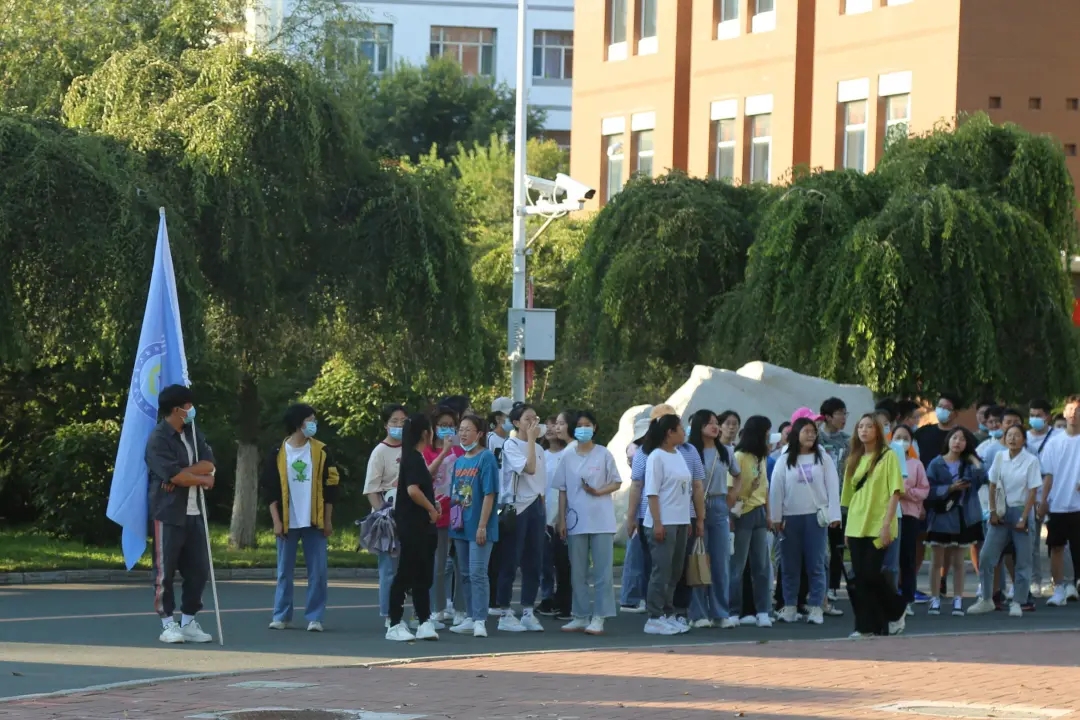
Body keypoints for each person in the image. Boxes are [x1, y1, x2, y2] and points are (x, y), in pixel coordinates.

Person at [147, 384, 216, 644]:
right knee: (165, 572)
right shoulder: (158, 438)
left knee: (198, 569)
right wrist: (199, 478)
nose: (192, 410)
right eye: (188, 406)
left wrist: (184, 475)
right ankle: (167, 624)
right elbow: (173, 475)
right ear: (177, 409)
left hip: (195, 511)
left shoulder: (192, 432)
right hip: (168, 513)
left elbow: (209, 463)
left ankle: (188, 622)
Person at [264, 403, 340, 633]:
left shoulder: (322, 451)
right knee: (284, 571)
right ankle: (281, 615)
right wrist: (276, 521)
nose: (314, 424)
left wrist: (327, 519)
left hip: (314, 520)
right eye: (310, 420)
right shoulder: (278, 452)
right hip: (288, 521)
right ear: (298, 423)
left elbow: (331, 487)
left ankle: (315, 617)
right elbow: (270, 489)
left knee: (318, 571)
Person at [554, 410, 621, 635]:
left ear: (594, 427)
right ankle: (580, 615)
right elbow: (562, 489)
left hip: (601, 519)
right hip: (576, 520)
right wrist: (561, 519)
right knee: (578, 572)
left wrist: (598, 491)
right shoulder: (568, 456)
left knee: (603, 572)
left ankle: (600, 616)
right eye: (579, 425)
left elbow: (616, 482)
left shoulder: (604, 453)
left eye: (588, 425)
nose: (584, 429)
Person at [769, 417, 841, 625]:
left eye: (813, 431)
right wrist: (776, 517)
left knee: (816, 563)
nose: (810, 435)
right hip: (790, 518)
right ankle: (790, 606)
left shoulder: (823, 458)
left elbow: (832, 486)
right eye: (806, 431)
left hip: (815, 518)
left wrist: (834, 515)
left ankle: (816, 606)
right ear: (796, 434)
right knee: (789, 564)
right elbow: (776, 489)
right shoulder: (784, 459)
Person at [841, 413, 907, 638]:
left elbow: (895, 492)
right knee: (860, 578)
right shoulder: (854, 458)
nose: (864, 430)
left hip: (879, 523)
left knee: (871, 574)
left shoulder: (888, 456)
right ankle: (866, 626)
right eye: (861, 426)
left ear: (878, 431)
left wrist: (887, 524)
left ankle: (896, 608)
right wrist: (847, 529)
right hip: (856, 523)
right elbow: (848, 498)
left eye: (869, 426)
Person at [968, 424, 1039, 617]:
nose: (1012, 439)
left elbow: (1032, 492)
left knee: (1023, 560)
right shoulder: (1000, 457)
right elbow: (992, 485)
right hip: (1000, 511)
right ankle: (986, 599)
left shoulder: (1031, 460)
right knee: (986, 557)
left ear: (1024, 440)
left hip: (1021, 510)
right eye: (1009, 435)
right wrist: (992, 512)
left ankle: (1018, 601)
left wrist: (1024, 518)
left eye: (1017, 435)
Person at [386, 414, 441, 642]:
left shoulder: (415, 458)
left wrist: (432, 504)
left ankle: (424, 620)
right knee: (406, 573)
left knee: (422, 575)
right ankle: (394, 623)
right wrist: (431, 508)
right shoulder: (413, 459)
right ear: (425, 433)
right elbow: (413, 490)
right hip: (413, 527)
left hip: (422, 528)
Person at [495, 403, 547, 632]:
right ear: (516, 423)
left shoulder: (540, 449)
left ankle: (528, 610)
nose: (533, 423)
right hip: (517, 507)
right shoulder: (511, 445)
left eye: (535, 418)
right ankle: (505, 612)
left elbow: (541, 480)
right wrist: (532, 440)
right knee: (510, 560)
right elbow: (530, 468)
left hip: (536, 505)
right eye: (528, 419)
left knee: (534, 561)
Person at [924, 427, 987, 617]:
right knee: (937, 560)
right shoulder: (936, 463)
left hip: (963, 515)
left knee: (959, 562)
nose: (957, 442)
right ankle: (935, 598)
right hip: (942, 515)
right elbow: (929, 489)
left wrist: (975, 460)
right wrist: (950, 488)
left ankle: (958, 598)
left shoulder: (968, 464)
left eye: (962, 439)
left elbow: (983, 478)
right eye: (954, 438)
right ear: (948, 440)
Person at [448, 413, 501, 638]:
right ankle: (470, 616)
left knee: (478, 573)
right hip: (460, 525)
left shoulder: (486, 458)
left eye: (468, 430)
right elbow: (455, 494)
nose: (463, 434)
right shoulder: (459, 461)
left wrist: (482, 525)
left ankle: (480, 619)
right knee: (465, 574)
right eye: (460, 429)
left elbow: (489, 494)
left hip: (479, 526)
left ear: (479, 434)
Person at [641, 413, 694, 635]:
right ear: (669, 432)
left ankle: (668, 613)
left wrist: (687, 520)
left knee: (675, 571)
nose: (684, 432)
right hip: (663, 521)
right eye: (680, 428)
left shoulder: (678, 454)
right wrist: (658, 523)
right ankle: (654, 617)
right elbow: (652, 492)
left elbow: (685, 489)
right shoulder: (656, 457)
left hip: (680, 521)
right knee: (661, 571)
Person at [688, 409, 741, 629]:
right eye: (709, 423)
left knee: (721, 561)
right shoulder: (690, 451)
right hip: (695, 505)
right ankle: (698, 613)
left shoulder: (725, 451)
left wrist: (732, 496)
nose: (715, 426)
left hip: (719, 505)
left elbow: (738, 475)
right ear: (699, 427)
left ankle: (720, 612)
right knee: (698, 558)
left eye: (715, 423)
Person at [728, 415, 774, 628]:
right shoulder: (738, 457)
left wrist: (769, 514)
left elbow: (765, 488)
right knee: (737, 565)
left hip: (759, 513)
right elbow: (732, 488)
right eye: (766, 432)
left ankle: (763, 610)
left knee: (762, 565)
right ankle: (733, 610)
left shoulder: (761, 458)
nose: (769, 437)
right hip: (742, 513)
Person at [364, 404, 407, 628]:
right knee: (389, 569)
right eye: (394, 421)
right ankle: (389, 616)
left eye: (403, 421)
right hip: (387, 520)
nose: (399, 425)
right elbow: (371, 489)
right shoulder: (379, 452)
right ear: (386, 425)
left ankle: (406, 613)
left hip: (409, 516)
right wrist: (384, 516)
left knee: (407, 569)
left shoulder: (411, 449)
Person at [423, 405, 464, 628]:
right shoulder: (427, 451)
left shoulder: (461, 451)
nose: (447, 429)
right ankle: (437, 608)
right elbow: (426, 475)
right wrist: (444, 452)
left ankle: (460, 609)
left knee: (460, 564)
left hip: (458, 510)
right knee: (438, 564)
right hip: (436, 511)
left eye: (451, 426)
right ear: (434, 427)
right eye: (442, 425)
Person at [1038, 395, 1080, 607]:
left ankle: (1075, 584)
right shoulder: (1054, 443)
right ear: (1064, 413)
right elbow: (1048, 475)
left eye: (1077, 410)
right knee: (1056, 548)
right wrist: (1043, 500)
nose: (1073, 414)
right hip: (1057, 505)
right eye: (1070, 410)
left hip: (1078, 505)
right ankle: (1059, 589)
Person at [889, 424, 929, 614]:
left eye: (906, 438)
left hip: (909, 515)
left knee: (907, 558)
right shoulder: (886, 462)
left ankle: (907, 599)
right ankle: (889, 597)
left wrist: (906, 492)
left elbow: (924, 490)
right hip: (889, 515)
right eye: (898, 437)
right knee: (890, 559)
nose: (902, 442)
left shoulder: (916, 464)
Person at [538, 412, 574, 620]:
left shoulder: (568, 453)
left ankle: (563, 601)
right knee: (544, 562)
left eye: (556, 424)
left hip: (563, 515)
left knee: (563, 562)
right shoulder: (541, 455)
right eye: (548, 425)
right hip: (545, 513)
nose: (551, 429)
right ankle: (547, 598)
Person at [619, 408, 655, 614]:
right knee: (636, 557)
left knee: (647, 559)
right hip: (642, 510)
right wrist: (631, 516)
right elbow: (636, 485)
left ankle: (642, 597)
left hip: (649, 511)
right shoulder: (639, 452)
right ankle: (630, 598)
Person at [818, 397, 850, 607]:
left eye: (845, 413)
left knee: (838, 545)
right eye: (840, 413)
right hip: (820, 500)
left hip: (841, 500)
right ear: (828, 417)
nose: (843, 418)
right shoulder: (817, 439)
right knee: (819, 546)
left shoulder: (849, 442)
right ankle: (818, 585)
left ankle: (833, 586)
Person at [1027, 398, 1060, 599]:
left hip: (1054, 493)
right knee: (1031, 541)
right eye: (1031, 415)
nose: (1034, 419)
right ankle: (1034, 581)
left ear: (1047, 416)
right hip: (1030, 493)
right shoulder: (1023, 437)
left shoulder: (1057, 437)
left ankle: (1059, 581)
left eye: (1038, 415)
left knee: (1057, 541)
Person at [915, 392, 962, 469]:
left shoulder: (962, 437)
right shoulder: (922, 432)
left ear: (955, 413)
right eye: (940, 406)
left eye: (946, 408)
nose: (942, 410)